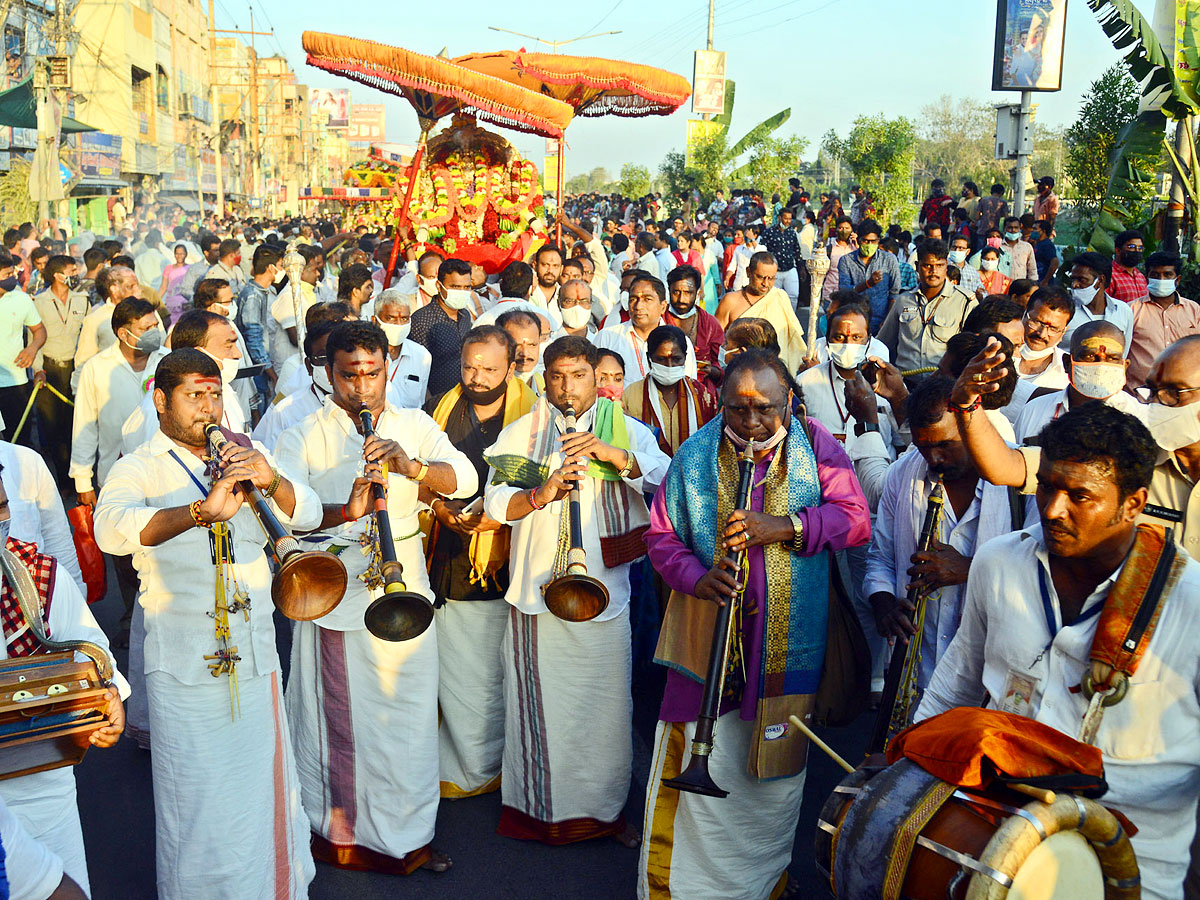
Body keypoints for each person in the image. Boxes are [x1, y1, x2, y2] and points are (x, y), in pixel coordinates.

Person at [917, 401, 1200, 900]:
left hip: (1133, 874)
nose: (1052, 508)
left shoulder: (1191, 604)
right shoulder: (999, 562)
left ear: (1133, 504)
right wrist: (908, 765)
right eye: (1046, 485)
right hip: (994, 846)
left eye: (1079, 495)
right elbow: (955, 683)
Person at [639, 349, 870, 900]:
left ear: (788, 401)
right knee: (692, 789)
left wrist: (785, 525)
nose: (750, 424)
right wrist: (697, 578)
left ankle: (757, 887)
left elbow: (855, 519)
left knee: (773, 789)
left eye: (764, 409)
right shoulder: (694, 455)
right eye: (737, 412)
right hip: (703, 651)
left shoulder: (817, 446)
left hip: (788, 653)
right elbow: (660, 538)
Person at [93, 348, 319, 899]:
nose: (209, 407)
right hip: (186, 663)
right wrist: (197, 513)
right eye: (195, 396)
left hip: (254, 651)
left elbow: (308, 512)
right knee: (196, 800)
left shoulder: (247, 452)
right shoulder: (138, 465)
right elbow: (110, 530)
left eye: (215, 394)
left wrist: (272, 482)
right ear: (161, 400)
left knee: (261, 790)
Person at [274, 321, 475, 875]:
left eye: (372, 373)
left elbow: (463, 478)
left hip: (402, 582)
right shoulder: (301, 429)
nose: (362, 387)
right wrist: (347, 508)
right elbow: (291, 508)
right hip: (333, 587)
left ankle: (409, 835)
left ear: (387, 366)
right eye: (348, 375)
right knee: (337, 713)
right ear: (328, 372)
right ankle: (337, 830)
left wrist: (409, 465)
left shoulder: (413, 422)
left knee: (406, 716)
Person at [483, 335, 670, 846]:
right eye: (557, 377)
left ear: (596, 376)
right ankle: (538, 811)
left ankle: (605, 814)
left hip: (604, 593)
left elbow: (667, 482)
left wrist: (616, 456)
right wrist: (541, 492)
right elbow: (495, 504)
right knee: (539, 705)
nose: (568, 388)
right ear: (545, 379)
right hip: (537, 590)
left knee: (604, 710)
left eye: (579, 376)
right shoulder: (522, 434)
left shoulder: (625, 430)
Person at [425, 326, 536, 799]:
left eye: (490, 369)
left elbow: (541, 491)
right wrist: (438, 508)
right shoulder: (444, 410)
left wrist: (500, 520)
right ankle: (464, 761)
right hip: (449, 551)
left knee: (495, 669)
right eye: (469, 367)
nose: (477, 377)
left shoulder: (533, 417)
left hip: (508, 557)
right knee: (456, 663)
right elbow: (425, 470)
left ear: (512, 368)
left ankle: (494, 761)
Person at [867, 375, 1017, 708]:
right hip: (917, 671)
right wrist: (884, 603)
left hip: (987, 676)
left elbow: (1040, 573)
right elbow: (880, 558)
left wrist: (969, 569)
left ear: (971, 428)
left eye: (945, 445)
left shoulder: (1018, 483)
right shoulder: (903, 473)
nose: (934, 460)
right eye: (924, 448)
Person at [1013, 321, 1143, 444]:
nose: (1100, 367)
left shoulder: (1139, 417)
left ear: (1124, 367)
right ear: (1067, 363)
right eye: (1089, 356)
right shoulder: (1035, 410)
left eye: (1112, 358)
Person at [877, 239, 977, 371]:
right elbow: (883, 344)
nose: (933, 271)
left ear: (946, 266)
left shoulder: (965, 302)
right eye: (927, 266)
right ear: (917, 266)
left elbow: (974, 349)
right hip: (906, 383)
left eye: (939, 265)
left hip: (944, 384)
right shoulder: (903, 300)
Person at [620, 325, 719, 457]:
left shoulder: (703, 396)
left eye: (676, 359)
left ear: (685, 357)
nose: (669, 366)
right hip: (647, 474)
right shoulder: (630, 395)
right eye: (661, 359)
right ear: (650, 359)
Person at [31, 255, 86, 479]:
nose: (75, 275)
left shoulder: (83, 299)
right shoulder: (39, 302)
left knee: (75, 425)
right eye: (71, 271)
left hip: (75, 369)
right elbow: (32, 338)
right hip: (49, 369)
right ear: (57, 275)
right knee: (52, 426)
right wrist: (37, 370)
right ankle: (62, 479)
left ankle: (78, 477)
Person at [251, 320, 339, 452]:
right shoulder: (286, 413)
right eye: (323, 357)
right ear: (308, 366)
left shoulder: (372, 402)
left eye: (337, 358)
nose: (331, 366)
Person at [595, 274, 698, 384]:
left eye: (647, 299)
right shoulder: (607, 337)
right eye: (633, 299)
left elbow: (688, 383)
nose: (638, 306)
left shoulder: (679, 341)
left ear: (663, 306)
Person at [714, 252, 808, 372]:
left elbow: (793, 340)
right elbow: (715, 340)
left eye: (771, 278)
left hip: (774, 372)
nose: (766, 283)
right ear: (748, 272)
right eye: (760, 277)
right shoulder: (730, 301)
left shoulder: (780, 297)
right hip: (739, 372)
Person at [1127, 250, 1200, 390]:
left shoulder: (1193, 310)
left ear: (1177, 279)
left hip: (1184, 391)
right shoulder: (1131, 310)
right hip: (1141, 394)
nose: (1161, 280)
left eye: (1167, 275)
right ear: (1147, 277)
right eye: (1155, 275)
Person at [410, 257, 476, 399]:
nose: (462, 291)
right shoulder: (421, 320)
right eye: (455, 287)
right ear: (439, 286)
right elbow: (415, 371)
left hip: (465, 398)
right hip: (436, 402)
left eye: (467, 287)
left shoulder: (465, 315)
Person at [0, 252, 44, 446]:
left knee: (19, 442)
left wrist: (32, 348)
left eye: (12, 274)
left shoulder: (21, 299)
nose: (11, 279)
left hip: (15, 383)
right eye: (5, 275)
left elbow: (39, 330)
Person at [838, 219, 900, 332]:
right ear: (858, 240)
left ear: (878, 241)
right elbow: (844, 292)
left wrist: (887, 321)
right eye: (865, 241)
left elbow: (894, 294)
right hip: (854, 321)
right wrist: (867, 284)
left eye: (873, 241)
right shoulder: (846, 261)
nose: (869, 245)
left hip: (881, 322)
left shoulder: (889, 260)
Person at [1062, 251, 1134, 350]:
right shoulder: (1064, 311)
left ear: (1100, 280)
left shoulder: (1123, 311)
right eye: (1073, 279)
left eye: (1082, 280)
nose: (1074, 285)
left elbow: (1123, 354)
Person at [374, 287, 431, 408]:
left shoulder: (422, 356)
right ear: (375, 321)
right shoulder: (365, 354)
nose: (399, 324)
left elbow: (421, 400)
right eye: (390, 318)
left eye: (404, 319)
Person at [664, 265, 724, 373]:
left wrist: (711, 371)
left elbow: (720, 365)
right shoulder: (659, 319)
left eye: (688, 293)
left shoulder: (710, 324)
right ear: (669, 291)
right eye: (676, 292)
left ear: (697, 294)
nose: (681, 299)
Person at [757, 208, 802, 305]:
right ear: (779, 218)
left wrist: (801, 267)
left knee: (793, 296)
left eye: (790, 219)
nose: (788, 221)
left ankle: (790, 318)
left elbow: (797, 251)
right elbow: (761, 250)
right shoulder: (768, 232)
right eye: (785, 218)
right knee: (772, 298)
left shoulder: (792, 233)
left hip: (790, 269)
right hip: (774, 272)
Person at [497, 308, 546, 392]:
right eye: (517, 346)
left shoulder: (542, 382)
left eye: (532, 345)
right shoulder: (492, 390)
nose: (525, 353)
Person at [178, 234, 220, 303]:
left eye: (220, 249)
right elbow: (185, 289)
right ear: (206, 253)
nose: (219, 253)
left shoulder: (224, 267)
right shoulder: (195, 269)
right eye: (216, 250)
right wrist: (198, 300)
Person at [1110, 229, 1148, 304]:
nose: (1136, 251)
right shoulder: (1109, 275)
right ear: (1118, 251)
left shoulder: (1140, 277)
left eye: (1140, 248)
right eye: (1131, 247)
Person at [158, 244, 190, 323]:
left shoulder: (190, 268)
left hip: (185, 304)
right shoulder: (168, 268)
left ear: (186, 254)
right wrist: (155, 301)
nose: (179, 256)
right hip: (171, 304)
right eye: (177, 253)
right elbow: (163, 287)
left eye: (181, 253)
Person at [1000, 215, 1037, 281]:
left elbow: (1032, 269)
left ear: (1020, 228)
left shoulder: (1027, 247)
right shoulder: (998, 247)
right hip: (1003, 285)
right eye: (1010, 227)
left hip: (1021, 286)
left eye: (1016, 227)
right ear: (1005, 228)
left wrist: (1033, 283)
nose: (1013, 230)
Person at [947, 234, 983, 299]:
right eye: (954, 247)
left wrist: (980, 294)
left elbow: (982, 291)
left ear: (968, 251)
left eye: (961, 248)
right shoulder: (943, 267)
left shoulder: (973, 272)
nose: (956, 250)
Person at [974, 184, 1008, 251]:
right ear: (1001, 193)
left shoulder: (983, 200)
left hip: (982, 230)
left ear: (991, 191)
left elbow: (977, 217)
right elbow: (1006, 217)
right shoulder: (1002, 203)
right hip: (995, 233)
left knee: (979, 252)